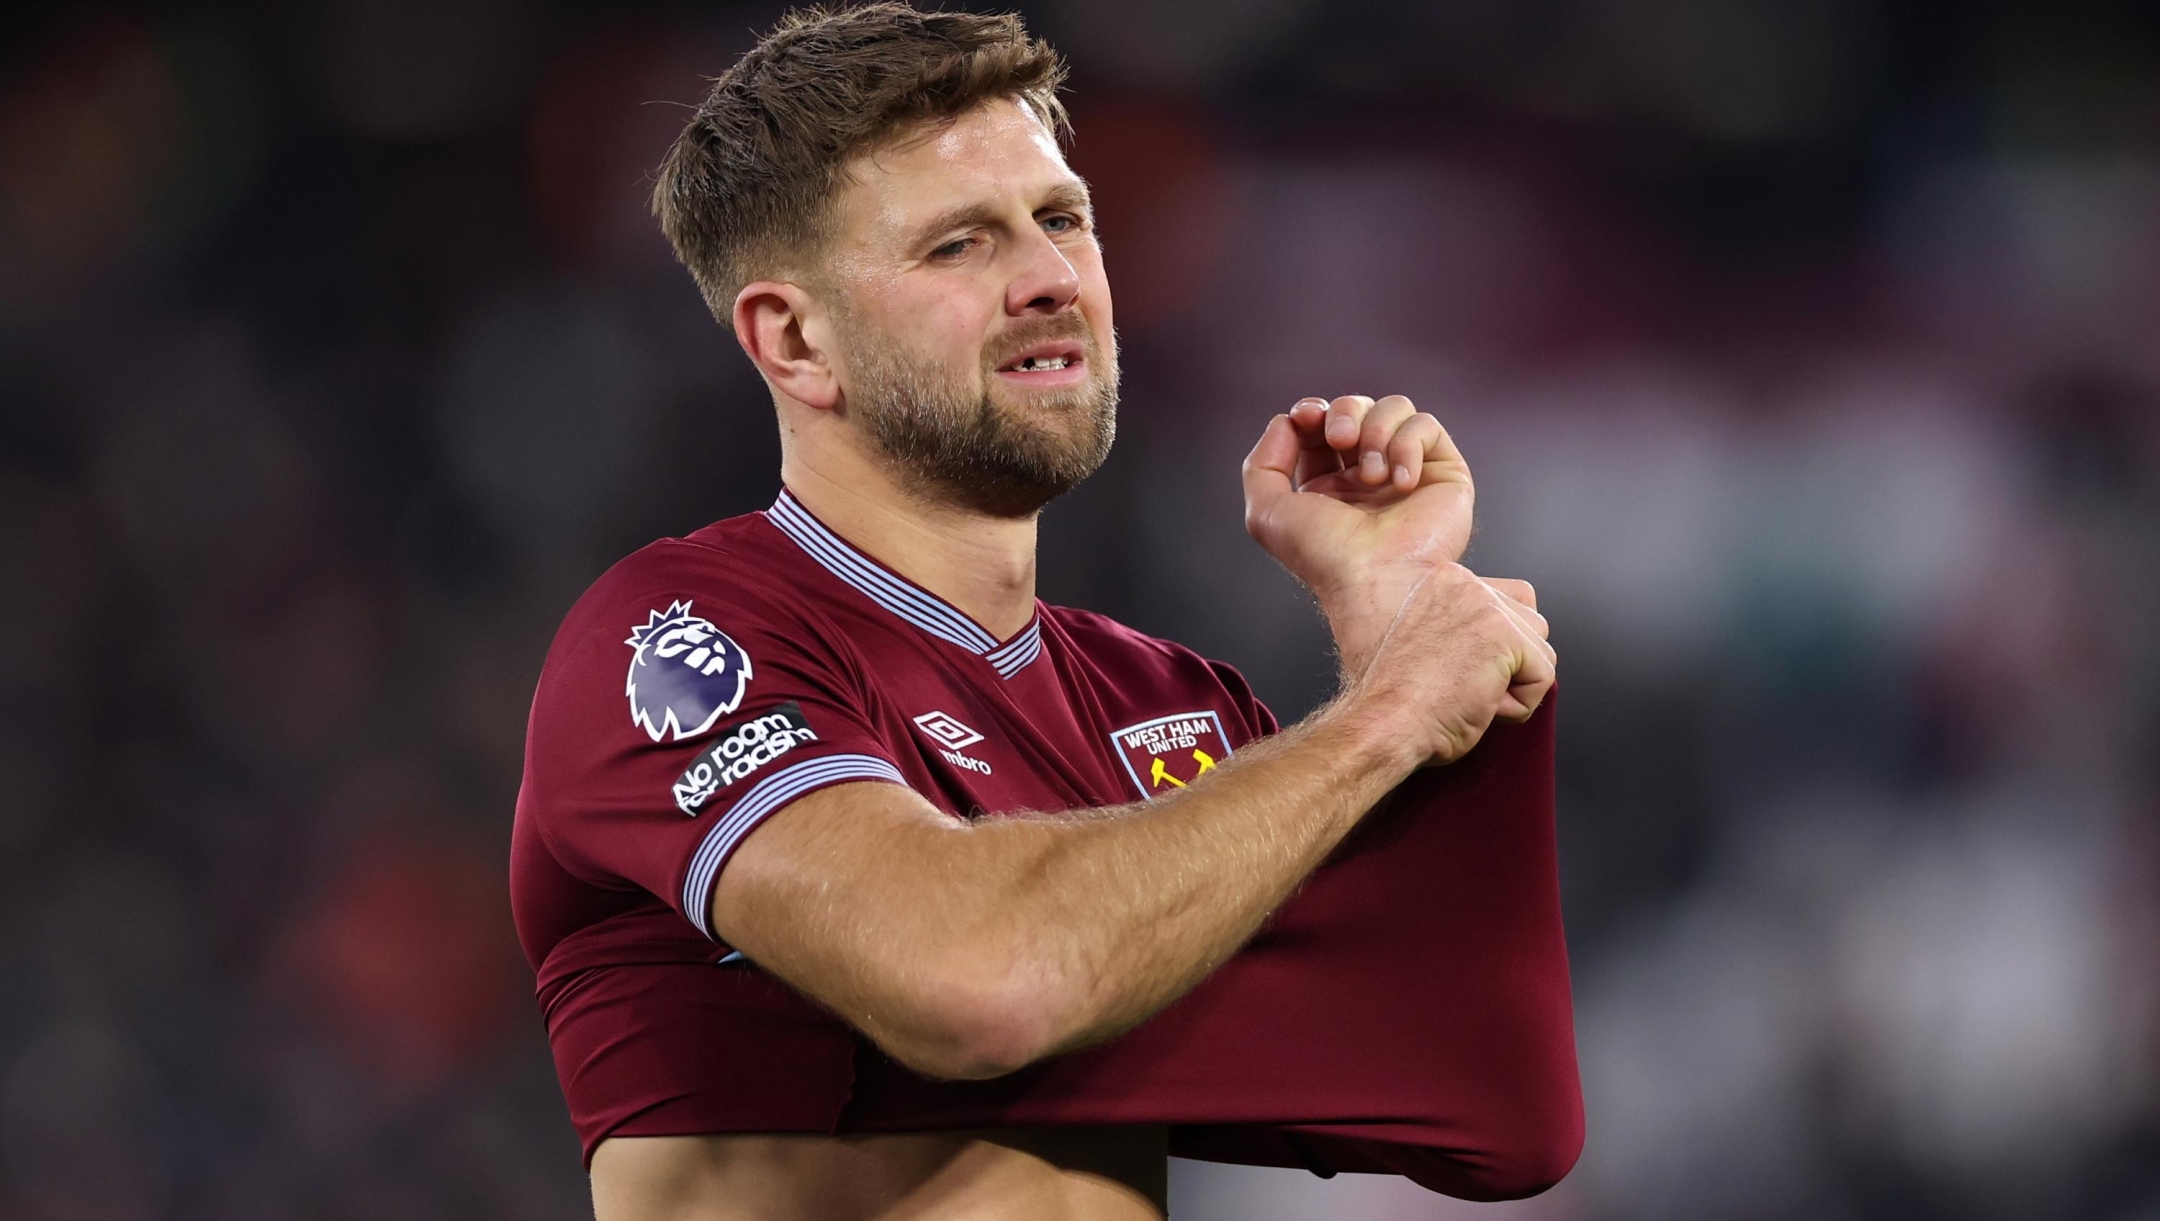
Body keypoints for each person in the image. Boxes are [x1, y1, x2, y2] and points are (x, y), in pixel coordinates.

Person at [509, 7, 1578, 1219]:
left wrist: (1394, 620)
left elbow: (1490, 1108)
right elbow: (978, 985)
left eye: (1062, 219)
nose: (1050, 280)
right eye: (958, 246)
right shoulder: (672, 639)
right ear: (797, 340)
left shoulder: (1171, 708)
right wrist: (1381, 719)